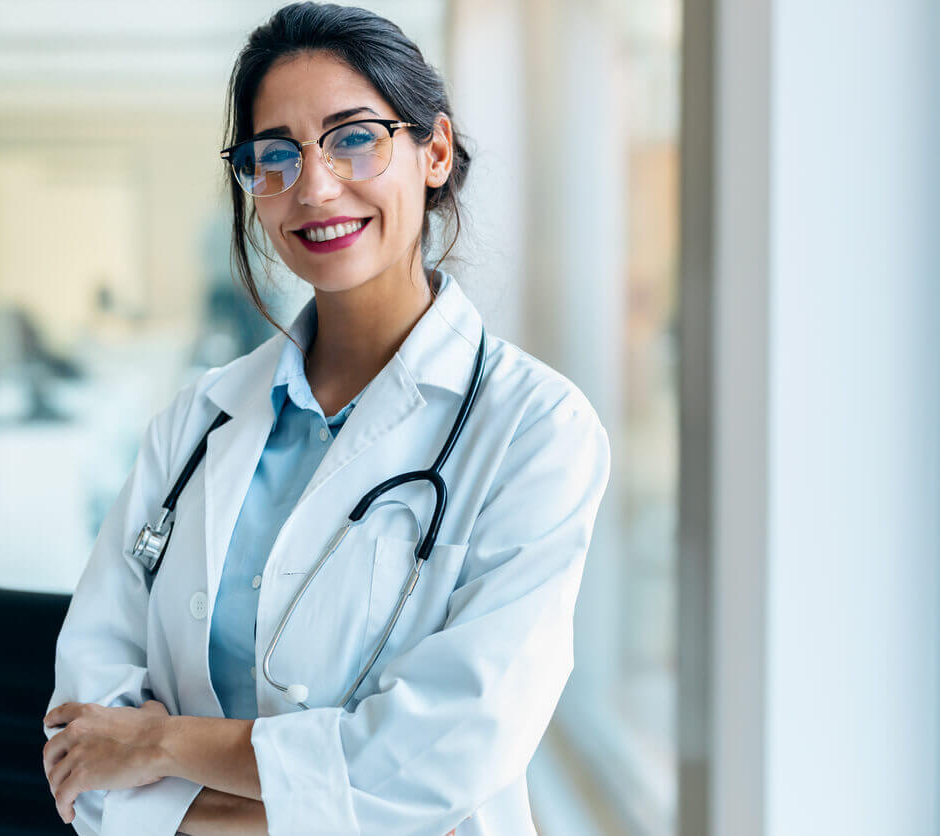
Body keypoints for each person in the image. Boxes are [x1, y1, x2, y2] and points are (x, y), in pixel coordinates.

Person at [41, 4, 611, 835]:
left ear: (435, 151)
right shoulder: (196, 423)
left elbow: (441, 760)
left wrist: (162, 745)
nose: (312, 187)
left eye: (353, 137)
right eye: (274, 155)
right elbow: (83, 741)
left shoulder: (535, 429)